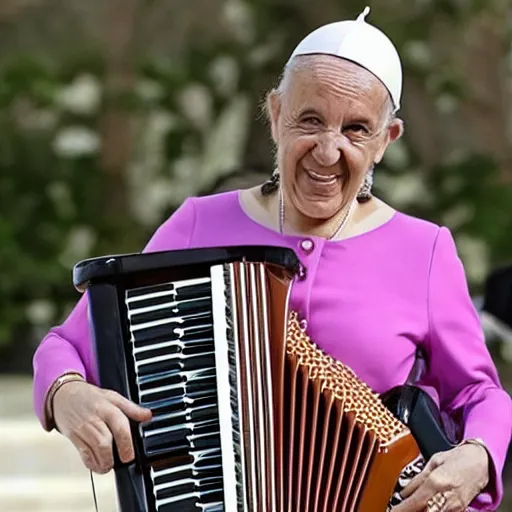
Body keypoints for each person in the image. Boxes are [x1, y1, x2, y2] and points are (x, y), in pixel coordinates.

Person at [32, 7, 511, 512]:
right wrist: (67, 395)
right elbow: (66, 344)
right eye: (310, 120)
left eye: (355, 130)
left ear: (385, 141)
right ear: (276, 113)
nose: (328, 151)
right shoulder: (198, 224)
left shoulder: (424, 250)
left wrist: (478, 455)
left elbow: (480, 392)